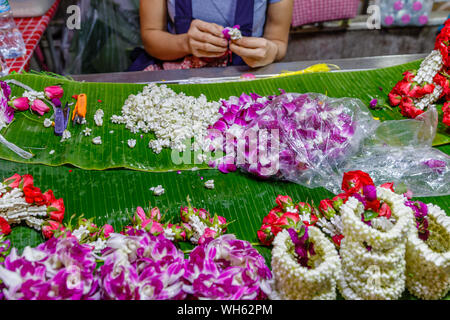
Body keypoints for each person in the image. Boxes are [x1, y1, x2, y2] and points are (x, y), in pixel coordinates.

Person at [128, 0, 293, 71]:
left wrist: (271, 51)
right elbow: (150, 37)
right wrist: (185, 43)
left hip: (247, 74)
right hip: (179, 73)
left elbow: (278, 42)